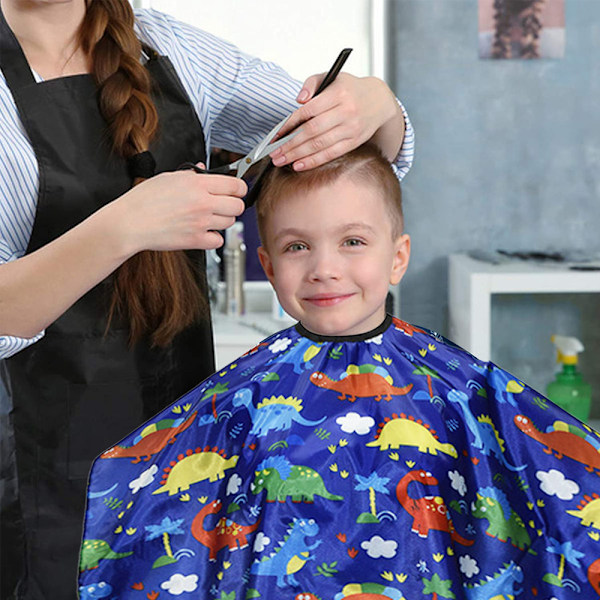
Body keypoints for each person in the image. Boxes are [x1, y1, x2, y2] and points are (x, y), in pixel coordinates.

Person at [0, 0, 415, 598]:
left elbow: (352, 149)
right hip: (33, 464)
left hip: (186, 449)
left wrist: (378, 104)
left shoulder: (171, 48)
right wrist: (124, 227)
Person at [80, 143, 600, 599]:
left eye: (352, 241)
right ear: (268, 261)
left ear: (397, 258)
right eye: (297, 246)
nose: (323, 267)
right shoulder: (243, 394)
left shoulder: (459, 390)